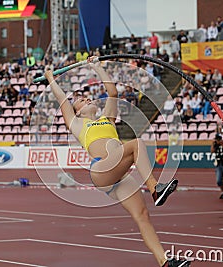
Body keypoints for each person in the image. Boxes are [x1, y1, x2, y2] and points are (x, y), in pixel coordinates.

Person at [44, 56, 189, 267]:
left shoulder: (107, 118)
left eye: (87, 98)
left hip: (119, 175)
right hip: (102, 169)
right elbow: (63, 101)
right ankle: (155, 189)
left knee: (142, 215)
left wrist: (97, 67)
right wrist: (50, 78)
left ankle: (164, 262)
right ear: (78, 112)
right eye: (82, 101)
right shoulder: (77, 124)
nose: (87, 100)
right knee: (137, 144)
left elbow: (112, 92)